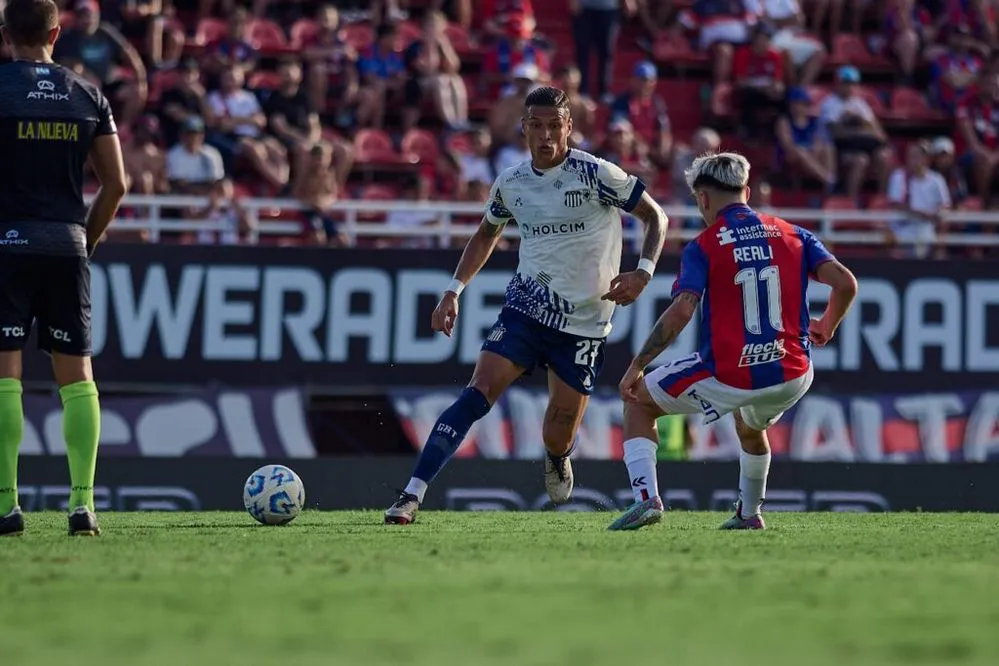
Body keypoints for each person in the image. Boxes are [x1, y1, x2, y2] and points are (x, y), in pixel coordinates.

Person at [384, 86, 669, 524]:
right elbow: (487, 232)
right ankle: (412, 494)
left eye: (555, 126)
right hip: (526, 309)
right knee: (478, 391)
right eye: (537, 126)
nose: (546, 135)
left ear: (569, 127)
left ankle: (557, 457)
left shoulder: (596, 174)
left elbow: (655, 216)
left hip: (584, 324)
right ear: (524, 128)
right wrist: (453, 290)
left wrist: (644, 272)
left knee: (557, 432)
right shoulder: (512, 183)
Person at [606, 152, 858, 531]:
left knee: (637, 402)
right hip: (792, 374)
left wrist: (637, 365)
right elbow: (846, 283)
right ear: (747, 192)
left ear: (703, 198)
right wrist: (828, 324)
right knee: (750, 425)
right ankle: (749, 514)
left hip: (730, 375)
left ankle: (646, 499)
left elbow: (682, 310)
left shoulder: (704, 245)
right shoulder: (794, 234)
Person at [0, 0, 128, 537]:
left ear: (5, 33)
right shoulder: (88, 95)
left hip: (7, 245)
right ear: (56, 33)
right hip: (67, 247)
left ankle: (6, 506)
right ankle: (82, 505)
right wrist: (86, 240)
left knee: (5, 376)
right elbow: (116, 185)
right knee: (77, 379)